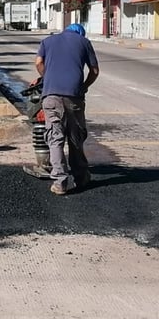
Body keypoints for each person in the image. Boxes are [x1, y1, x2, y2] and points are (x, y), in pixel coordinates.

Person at [34, 22, 100, 195]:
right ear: (80, 34)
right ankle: (81, 178)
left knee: (55, 139)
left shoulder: (48, 41)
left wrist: (47, 78)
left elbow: (38, 62)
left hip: (51, 97)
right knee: (75, 138)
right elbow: (94, 70)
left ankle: (60, 182)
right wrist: (85, 86)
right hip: (74, 97)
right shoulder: (84, 42)